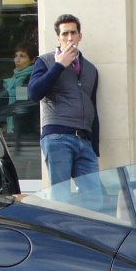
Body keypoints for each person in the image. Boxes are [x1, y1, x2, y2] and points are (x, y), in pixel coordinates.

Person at [27, 15, 102, 208]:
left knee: (95, 199)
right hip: (58, 137)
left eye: (73, 33)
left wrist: (94, 146)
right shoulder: (45, 62)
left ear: (80, 36)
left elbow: (92, 105)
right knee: (62, 198)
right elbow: (34, 93)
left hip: (84, 140)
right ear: (58, 38)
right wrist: (59, 65)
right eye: (65, 33)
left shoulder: (91, 69)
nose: (70, 38)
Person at [1, 39, 39, 144]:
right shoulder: (12, 81)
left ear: (32, 60)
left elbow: (30, 103)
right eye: (16, 56)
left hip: (29, 136)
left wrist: (10, 110)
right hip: (15, 135)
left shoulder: (33, 78)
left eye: (22, 56)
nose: (17, 60)